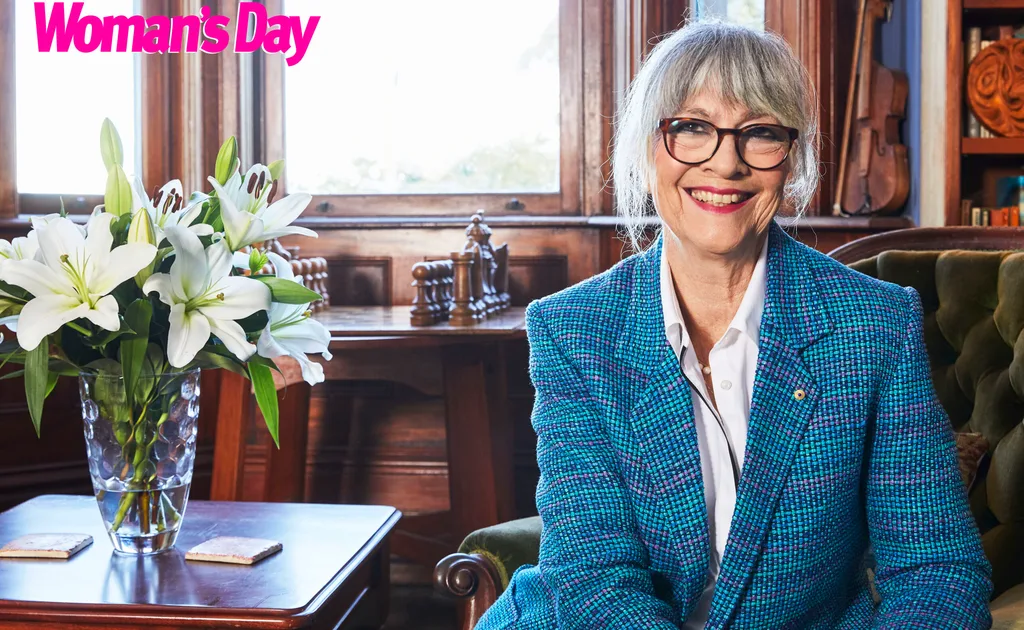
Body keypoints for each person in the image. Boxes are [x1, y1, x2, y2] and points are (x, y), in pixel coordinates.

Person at [475, 20, 992, 629]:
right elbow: (594, 577)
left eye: (761, 133)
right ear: (647, 148)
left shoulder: (876, 324)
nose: (725, 163)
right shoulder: (571, 329)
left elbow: (937, 569)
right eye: (692, 127)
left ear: (790, 159)